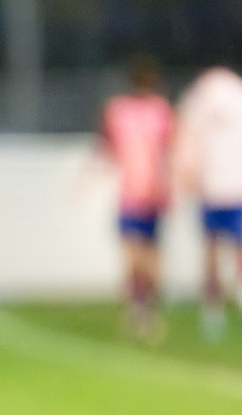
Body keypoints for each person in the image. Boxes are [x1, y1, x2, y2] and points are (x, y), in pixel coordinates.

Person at [98, 54, 175, 343]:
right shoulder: (148, 111)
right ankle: (143, 309)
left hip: (142, 194)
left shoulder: (137, 111)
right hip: (145, 193)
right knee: (143, 256)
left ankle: (143, 309)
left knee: (141, 257)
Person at [173, 63, 242, 341]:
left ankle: (216, 305)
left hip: (224, 188)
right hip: (221, 188)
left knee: (216, 250)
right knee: (220, 251)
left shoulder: (201, 98)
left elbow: (187, 139)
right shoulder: (212, 98)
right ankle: (216, 304)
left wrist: (186, 172)